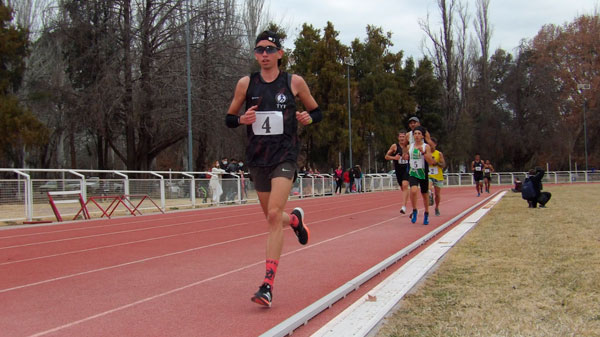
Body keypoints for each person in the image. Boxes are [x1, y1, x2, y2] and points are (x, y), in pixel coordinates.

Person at [225, 30, 321, 307]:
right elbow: (229, 118)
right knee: (273, 217)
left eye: (269, 49)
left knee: (272, 214)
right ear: (255, 55)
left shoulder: (294, 82)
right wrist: (242, 119)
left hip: (285, 156)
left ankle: (267, 284)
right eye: (259, 50)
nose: (264, 54)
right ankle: (294, 221)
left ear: (280, 53)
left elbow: (317, 111)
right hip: (257, 158)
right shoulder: (246, 84)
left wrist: (308, 118)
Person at [408, 126, 434, 225]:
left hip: (423, 172)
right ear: (413, 135)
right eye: (415, 134)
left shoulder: (426, 146)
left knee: (424, 194)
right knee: (413, 190)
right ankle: (414, 210)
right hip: (413, 172)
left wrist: (423, 153)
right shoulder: (409, 147)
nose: (417, 136)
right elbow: (406, 156)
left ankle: (426, 213)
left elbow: (430, 161)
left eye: (419, 134)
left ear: (422, 136)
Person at [385, 130, 410, 214]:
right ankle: (406, 200)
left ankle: (403, 207)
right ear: (398, 138)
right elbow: (386, 156)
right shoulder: (394, 146)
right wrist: (394, 158)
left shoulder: (409, 146)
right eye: (400, 137)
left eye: (403, 137)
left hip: (407, 169)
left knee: (405, 185)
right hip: (398, 170)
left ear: (406, 137)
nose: (402, 138)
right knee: (403, 188)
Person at [428, 138, 445, 216]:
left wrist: (436, 163)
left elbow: (443, 165)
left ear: (435, 144)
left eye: (431, 144)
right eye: (429, 144)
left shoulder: (439, 154)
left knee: (437, 194)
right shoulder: (426, 153)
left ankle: (437, 207)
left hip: (438, 176)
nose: (430, 146)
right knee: (429, 187)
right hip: (429, 175)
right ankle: (430, 194)